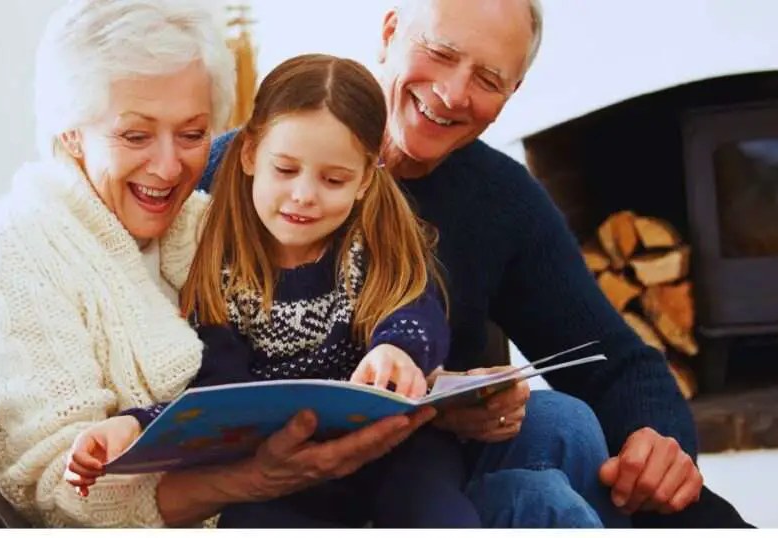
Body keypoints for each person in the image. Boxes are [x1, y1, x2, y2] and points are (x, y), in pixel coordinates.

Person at [0, 0, 753, 529]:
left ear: (512, 95)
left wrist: (663, 442)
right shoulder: (228, 176)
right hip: (285, 466)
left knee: (570, 426)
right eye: (442, 53)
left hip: (423, 442)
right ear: (390, 30)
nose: (455, 92)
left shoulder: (501, 199)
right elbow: (69, 214)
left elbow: (616, 356)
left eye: (488, 78)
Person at [0, 0, 442, 528]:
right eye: (135, 135)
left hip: (341, 493)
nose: (170, 168)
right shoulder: (11, 253)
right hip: (252, 512)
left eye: (192, 134)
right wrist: (252, 479)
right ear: (70, 131)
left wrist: (413, 361)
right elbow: (65, 497)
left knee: (525, 455)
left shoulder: (206, 222)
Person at [66, 53, 481, 529]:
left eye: (333, 179)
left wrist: (397, 349)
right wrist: (138, 424)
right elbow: (217, 392)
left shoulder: (370, 246)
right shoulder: (220, 269)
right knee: (249, 520)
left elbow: (416, 313)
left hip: (399, 453)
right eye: (285, 170)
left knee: (432, 508)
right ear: (248, 156)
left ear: (365, 178)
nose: (304, 194)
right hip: (292, 471)